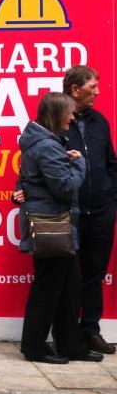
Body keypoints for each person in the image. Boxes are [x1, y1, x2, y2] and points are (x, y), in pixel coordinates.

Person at [18, 91, 103, 364]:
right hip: (51, 225)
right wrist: (78, 163)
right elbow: (65, 188)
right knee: (49, 287)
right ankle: (34, 347)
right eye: (68, 112)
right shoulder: (46, 146)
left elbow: (31, 181)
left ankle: (70, 344)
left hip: (60, 225)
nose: (72, 116)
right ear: (56, 114)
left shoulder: (48, 143)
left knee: (68, 288)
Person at [62, 65, 117, 354]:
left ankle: (90, 330)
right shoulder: (56, 121)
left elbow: (111, 163)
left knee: (95, 275)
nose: (97, 92)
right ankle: (69, 334)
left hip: (101, 212)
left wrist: (113, 202)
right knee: (70, 275)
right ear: (75, 89)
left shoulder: (100, 122)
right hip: (69, 214)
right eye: (92, 86)